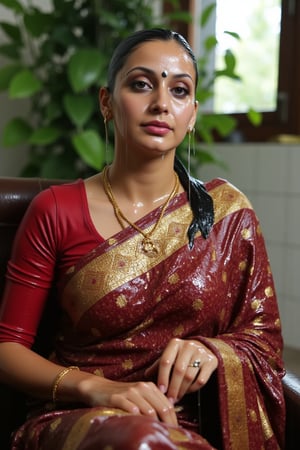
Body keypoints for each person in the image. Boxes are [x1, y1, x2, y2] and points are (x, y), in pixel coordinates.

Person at [0, 28, 285, 450]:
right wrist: (98, 390)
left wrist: (213, 352)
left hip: (195, 422)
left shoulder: (228, 215)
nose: (161, 104)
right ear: (106, 103)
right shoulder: (55, 210)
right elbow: (7, 349)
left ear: (192, 115)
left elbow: (264, 342)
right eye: (141, 84)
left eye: (180, 91)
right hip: (83, 418)